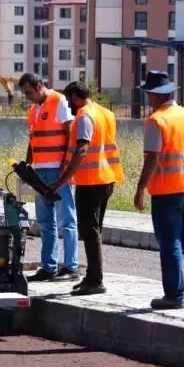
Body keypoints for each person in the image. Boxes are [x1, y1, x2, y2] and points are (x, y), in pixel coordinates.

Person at [134, 71, 184, 309]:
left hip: (168, 191)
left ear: (155, 96)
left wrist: (140, 188)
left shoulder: (157, 121)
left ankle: (174, 296)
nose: (147, 98)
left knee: (171, 243)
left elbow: (152, 158)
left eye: (148, 94)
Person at [54, 82, 123, 296]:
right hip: (107, 179)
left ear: (75, 97)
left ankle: (95, 280)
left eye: (68, 101)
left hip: (90, 182)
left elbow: (82, 150)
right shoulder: (106, 113)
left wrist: (64, 178)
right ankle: (92, 275)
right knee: (95, 231)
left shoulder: (84, 116)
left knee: (90, 232)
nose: (69, 106)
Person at [18, 72, 79, 282]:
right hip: (40, 171)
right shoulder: (34, 109)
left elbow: (71, 133)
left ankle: (71, 266)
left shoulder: (59, 100)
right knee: (45, 222)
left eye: (28, 92)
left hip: (58, 171)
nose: (27, 96)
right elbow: (33, 140)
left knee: (67, 220)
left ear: (38, 86)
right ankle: (49, 266)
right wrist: (27, 166)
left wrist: (65, 164)